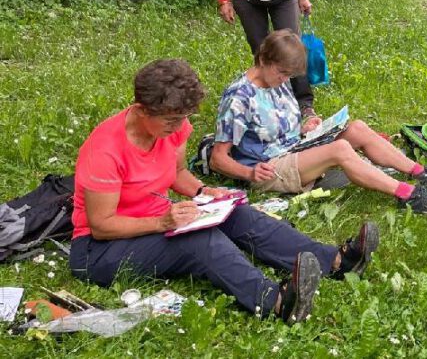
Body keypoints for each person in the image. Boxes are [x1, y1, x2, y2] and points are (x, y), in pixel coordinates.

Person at [68, 59, 381, 324]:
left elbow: (176, 173)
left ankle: (336, 262)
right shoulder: (105, 150)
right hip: (98, 250)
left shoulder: (173, 128)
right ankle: (275, 302)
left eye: (183, 119)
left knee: (238, 214)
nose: (179, 128)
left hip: (152, 220)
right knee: (199, 241)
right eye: (171, 120)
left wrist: (204, 190)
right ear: (141, 109)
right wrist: (162, 223)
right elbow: (101, 224)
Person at [211, 30, 427, 214]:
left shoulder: (275, 78)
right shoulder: (238, 98)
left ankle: (420, 173)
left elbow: (277, 122)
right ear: (263, 60)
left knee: (357, 128)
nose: (285, 79)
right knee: (340, 149)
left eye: (289, 75)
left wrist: (306, 125)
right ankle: (408, 195)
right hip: (269, 168)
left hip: (294, 149)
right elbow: (218, 159)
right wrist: (250, 172)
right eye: (282, 73)